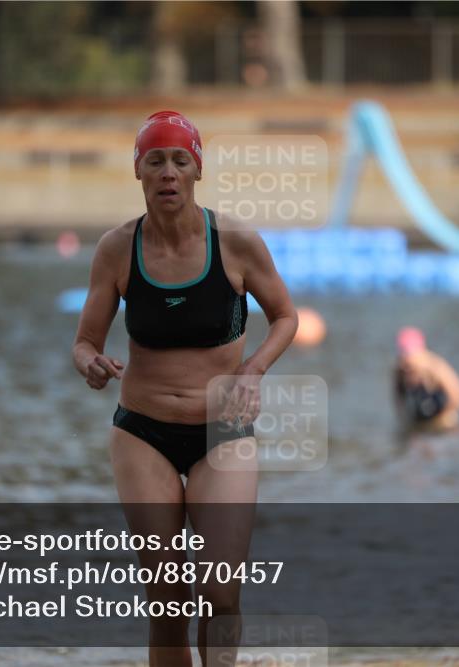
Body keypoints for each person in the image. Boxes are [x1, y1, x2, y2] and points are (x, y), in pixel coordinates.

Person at [72, 110, 298, 667]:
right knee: (167, 599)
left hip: (222, 430)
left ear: (198, 170)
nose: (168, 173)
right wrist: (91, 363)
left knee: (220, 592)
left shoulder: (236, 243)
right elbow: (84, 341)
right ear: (138, 172)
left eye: (180, 161)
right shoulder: (117, 248)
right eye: (156, 161)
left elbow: (286, 317)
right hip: (142, 434)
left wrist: (254, 369)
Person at [393, 327, 459, 431]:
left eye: (410, 358)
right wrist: (407, 422)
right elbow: (398, 401)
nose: (407, 364)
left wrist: (442, 418)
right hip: (420, 421)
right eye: (404, 358)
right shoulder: (400, 371)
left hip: (444, 420)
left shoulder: (435, 367)